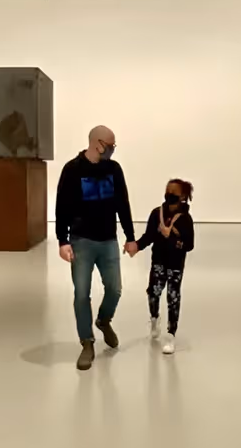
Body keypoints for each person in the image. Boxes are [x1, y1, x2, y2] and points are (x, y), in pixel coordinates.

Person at [56, 125, 138, 371]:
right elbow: (62, 207)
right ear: (97, 143)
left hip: (108, 240)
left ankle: (103, 320)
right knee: (81, 294)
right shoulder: (72, 170)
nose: (112, 149)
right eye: (110, 144)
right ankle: (87, 342)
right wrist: (63, 241)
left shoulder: (114, 170)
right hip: (81, 240)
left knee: (115, 288)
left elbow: (122, 203)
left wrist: (130, 237)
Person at [135, 179, 196, 355]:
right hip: (158, 262)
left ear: (182, 197)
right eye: (167, 191)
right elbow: (149, 236)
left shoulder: (185, 219)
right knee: (153, 293)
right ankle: (154, 318)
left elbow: (189, 245)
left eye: (173, 193)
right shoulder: (156, 214)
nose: (169, 195)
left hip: (176, 264)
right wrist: (136, 245)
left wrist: (173, 238)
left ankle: (171, 334)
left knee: (173, 297)